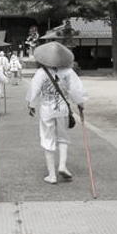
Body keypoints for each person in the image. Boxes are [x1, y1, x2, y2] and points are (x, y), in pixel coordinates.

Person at [26, 42, 87, 184]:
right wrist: (80, 104)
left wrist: (31, 104)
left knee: (48, 139)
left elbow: (33, 91)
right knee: (63, 137)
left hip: (47, 109)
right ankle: (62, 165)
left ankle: (52, 175)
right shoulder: (68, 72)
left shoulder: (41, 73)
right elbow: (76, 91)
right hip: (62, 109)